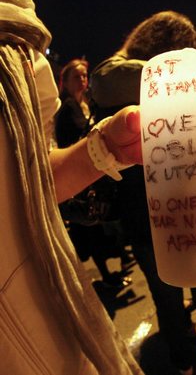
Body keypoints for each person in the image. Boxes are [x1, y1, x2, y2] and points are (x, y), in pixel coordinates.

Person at [90, 10, 196, 375]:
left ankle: (184, 359)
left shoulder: (123, 78)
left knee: (169, 295)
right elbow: (103, 79)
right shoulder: (119, 74)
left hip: (152, 211)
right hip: (163, 209)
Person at [0, 0, 142, 373]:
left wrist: (107, 146)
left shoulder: (13, 36)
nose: (82, 78)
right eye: (76, 75)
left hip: (52, 307)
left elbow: (30, 179)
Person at [55, 58, 135, 290]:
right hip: (79, 180)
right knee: (92, 231)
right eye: (76, 77)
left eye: (84, 75)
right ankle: (106, 276)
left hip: (94, 173)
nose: (82, 80)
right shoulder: (67, 108)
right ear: (65, 82)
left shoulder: (87, 105)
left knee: (100, 229)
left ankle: (112, 270)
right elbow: (67, 145)